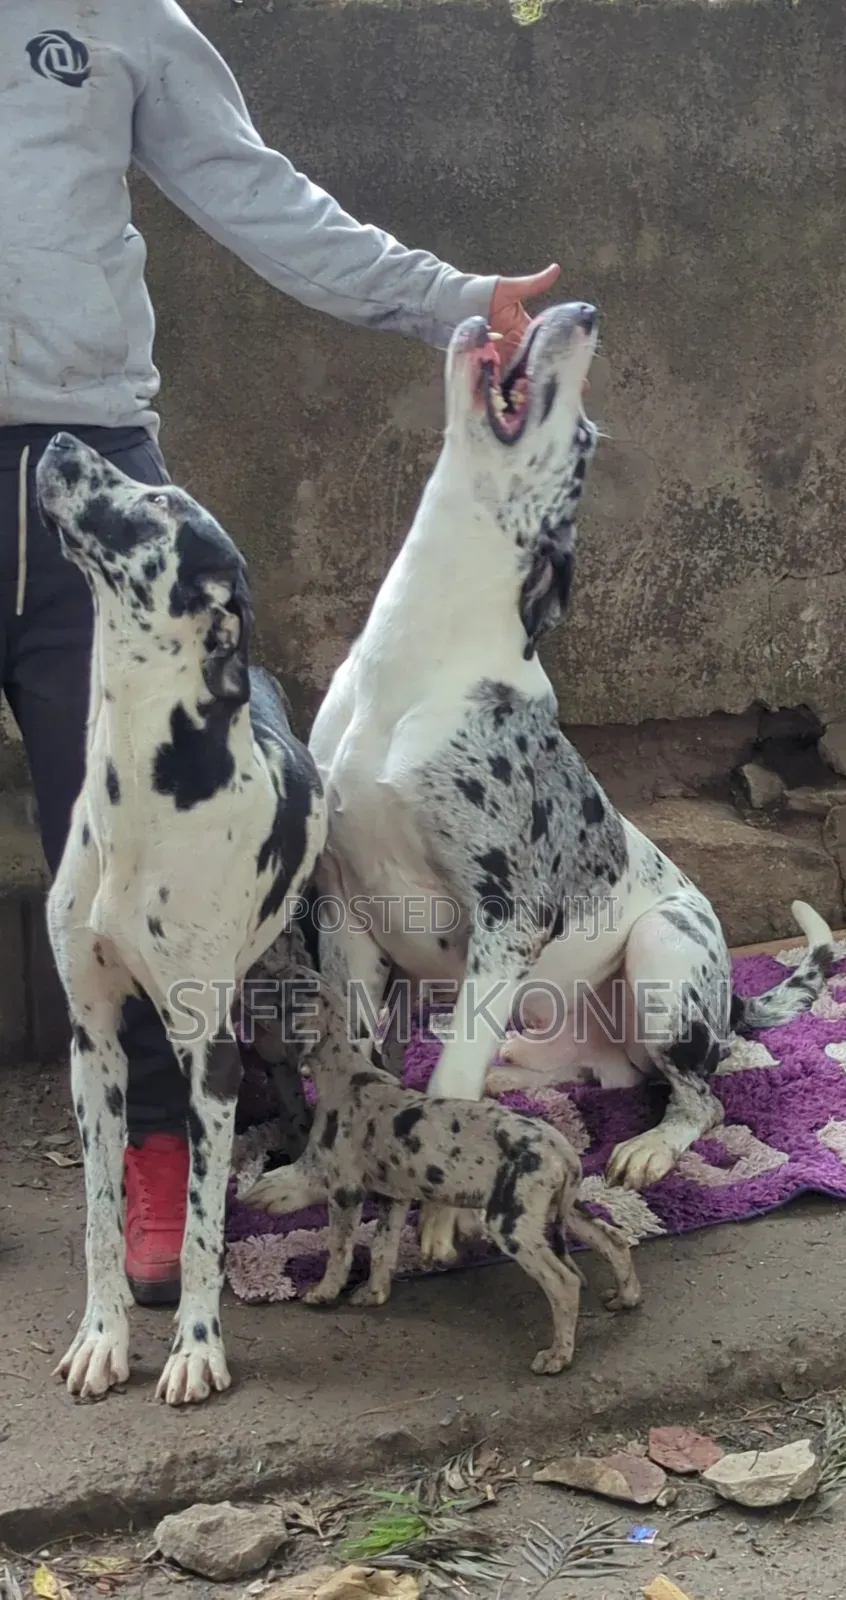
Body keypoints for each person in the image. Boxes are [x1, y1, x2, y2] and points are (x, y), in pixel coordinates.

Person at [1, 0, 560, 1307]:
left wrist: (453, 302)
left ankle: (154, 1151)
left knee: (135, 837)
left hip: (82, 469)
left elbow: (255, 193)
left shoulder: (120, 18)